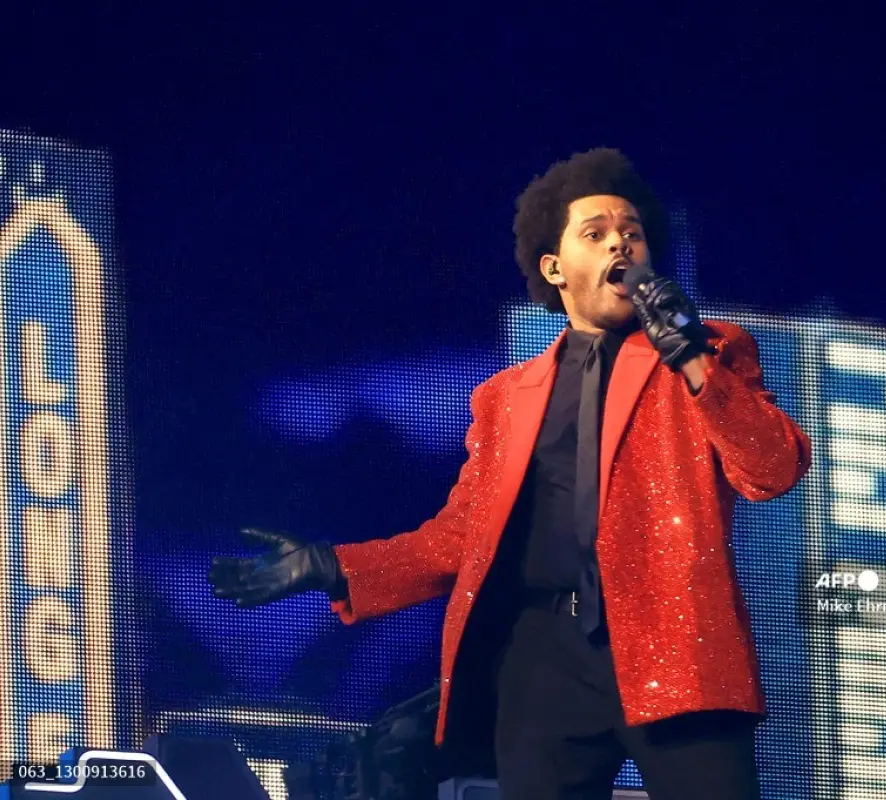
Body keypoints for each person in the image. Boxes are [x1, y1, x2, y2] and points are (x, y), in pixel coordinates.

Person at [209, 148, 811, 799]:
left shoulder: (714, 351)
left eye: (631, 233)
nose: (621, 244)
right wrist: (333, 565)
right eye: (597, 233)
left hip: (675, 647)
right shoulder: (506, 397)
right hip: (543, 659)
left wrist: (692, 361)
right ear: (555, 267)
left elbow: (772, 470)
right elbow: (460, 538)